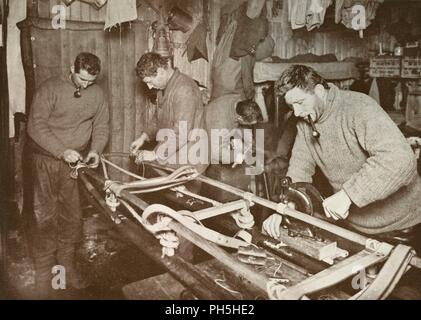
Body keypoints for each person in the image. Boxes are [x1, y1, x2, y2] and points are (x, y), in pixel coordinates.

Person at [263, 65, 421, 242]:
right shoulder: (306, 121)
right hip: (356, 225)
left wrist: (348, 195)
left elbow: (399, 158)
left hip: (402, 223)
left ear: (320, 91)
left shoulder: (359, 106)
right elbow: (300, 169)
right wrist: (286, 208)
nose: (297, 112)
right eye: (292, 106)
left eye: (300, 102)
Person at [27, 52, 109, 298]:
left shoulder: (97, 93)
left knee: (72, 218)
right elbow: (36, 126)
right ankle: (43, 276)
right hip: (46, 161)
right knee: (45, 219)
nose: (85, 85)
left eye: (90, 81)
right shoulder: (50, 89)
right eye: (81, 79)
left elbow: (101, 125)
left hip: (75, 166)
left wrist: (95, 150)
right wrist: (62, 151)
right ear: (70, 67)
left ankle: (64, 270)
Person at [131, 52, 207, 174]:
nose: (149, 87)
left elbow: (181, 133)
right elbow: (157, 118)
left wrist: (155, 154)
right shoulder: (164, 88)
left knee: (182, 192)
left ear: (161, 71)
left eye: (150, 81)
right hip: (174, 151)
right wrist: (143, 137)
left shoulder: (184, 90)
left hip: (191, 157)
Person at [205, 93, 263, 166]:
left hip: (219, 126)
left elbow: (242, 126)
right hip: (205, 137)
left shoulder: (239, 101)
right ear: (240, 118)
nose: (249, 125)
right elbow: (216, 153)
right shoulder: (220, 123)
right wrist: (238, 156)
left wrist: (249, 140)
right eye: (248, 124)